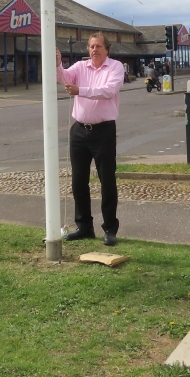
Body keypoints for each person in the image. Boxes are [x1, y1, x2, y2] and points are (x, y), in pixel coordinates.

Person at [56, 32, 124, 246]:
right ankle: (84, 227)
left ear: (107, 49)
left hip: (103, 131)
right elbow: (64, 78)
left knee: (106, 180)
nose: (94, 50)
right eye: (91, 46)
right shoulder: (80, 67)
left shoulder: (115, 67)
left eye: (98, 46)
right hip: (79, 130)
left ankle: (110, 229)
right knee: (78, 181)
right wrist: (58, 65)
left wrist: (80, 90)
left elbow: (108, 91)